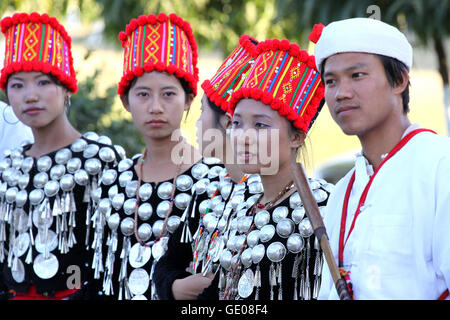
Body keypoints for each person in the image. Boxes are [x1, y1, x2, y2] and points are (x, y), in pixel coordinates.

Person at [315, 18, 450, 300]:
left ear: (399, 80)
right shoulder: (342, 191)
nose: (342, 93)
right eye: (331, 81)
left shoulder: (440, 165)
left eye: (357, 75)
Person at [96, 13, 223, 300]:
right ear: (126, 101)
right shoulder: (114, 181)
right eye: (143, 95)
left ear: (189, 99)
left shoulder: (214, 181)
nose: (155, 107)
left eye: (168, 94)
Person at [198, 32, 333, 300]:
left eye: (260, 125)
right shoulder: (239, 201)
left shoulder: (325, 208)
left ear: (297, 136)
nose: (244, 136)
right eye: (237, 123)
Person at [0, 12, 124, 300]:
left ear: (67, 86)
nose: (30, 95)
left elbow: (110, 264)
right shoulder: (9, 167)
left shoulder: (99, 161)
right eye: (18, 85)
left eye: (43, 82)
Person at [153, 34, 260, 300]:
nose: (197, 124)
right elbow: (168, 263)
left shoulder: (269, 196)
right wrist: (175, 287)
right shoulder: (209, 190)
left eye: (202, 112)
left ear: (225, 122)